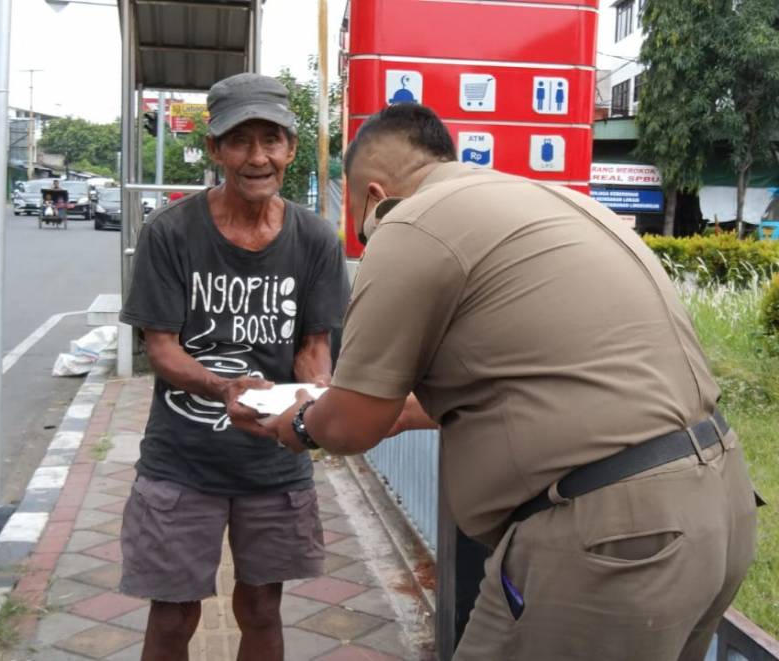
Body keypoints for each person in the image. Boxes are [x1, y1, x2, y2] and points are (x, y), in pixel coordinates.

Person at [263, 104, 760, 660]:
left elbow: (352, 424)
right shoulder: (556, 202)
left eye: (359, 224)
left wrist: (303, 422)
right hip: (720, 512)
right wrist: (398, 410)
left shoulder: (410, 221)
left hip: (613, 539)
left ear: (374, 195)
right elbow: (548, 376)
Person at [118, 72, 349, 661]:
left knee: (263, 609)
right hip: (181, 459)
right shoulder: (169, 233)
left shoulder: (316, 239)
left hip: (273, 460)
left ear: (291, 149)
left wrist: (314, 390)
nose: (257, 157)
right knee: (172, 615)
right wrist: (224, 387)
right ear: (216, 149)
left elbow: (315, 343)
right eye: (239, 140)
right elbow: (162, 348)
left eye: (271, 139)